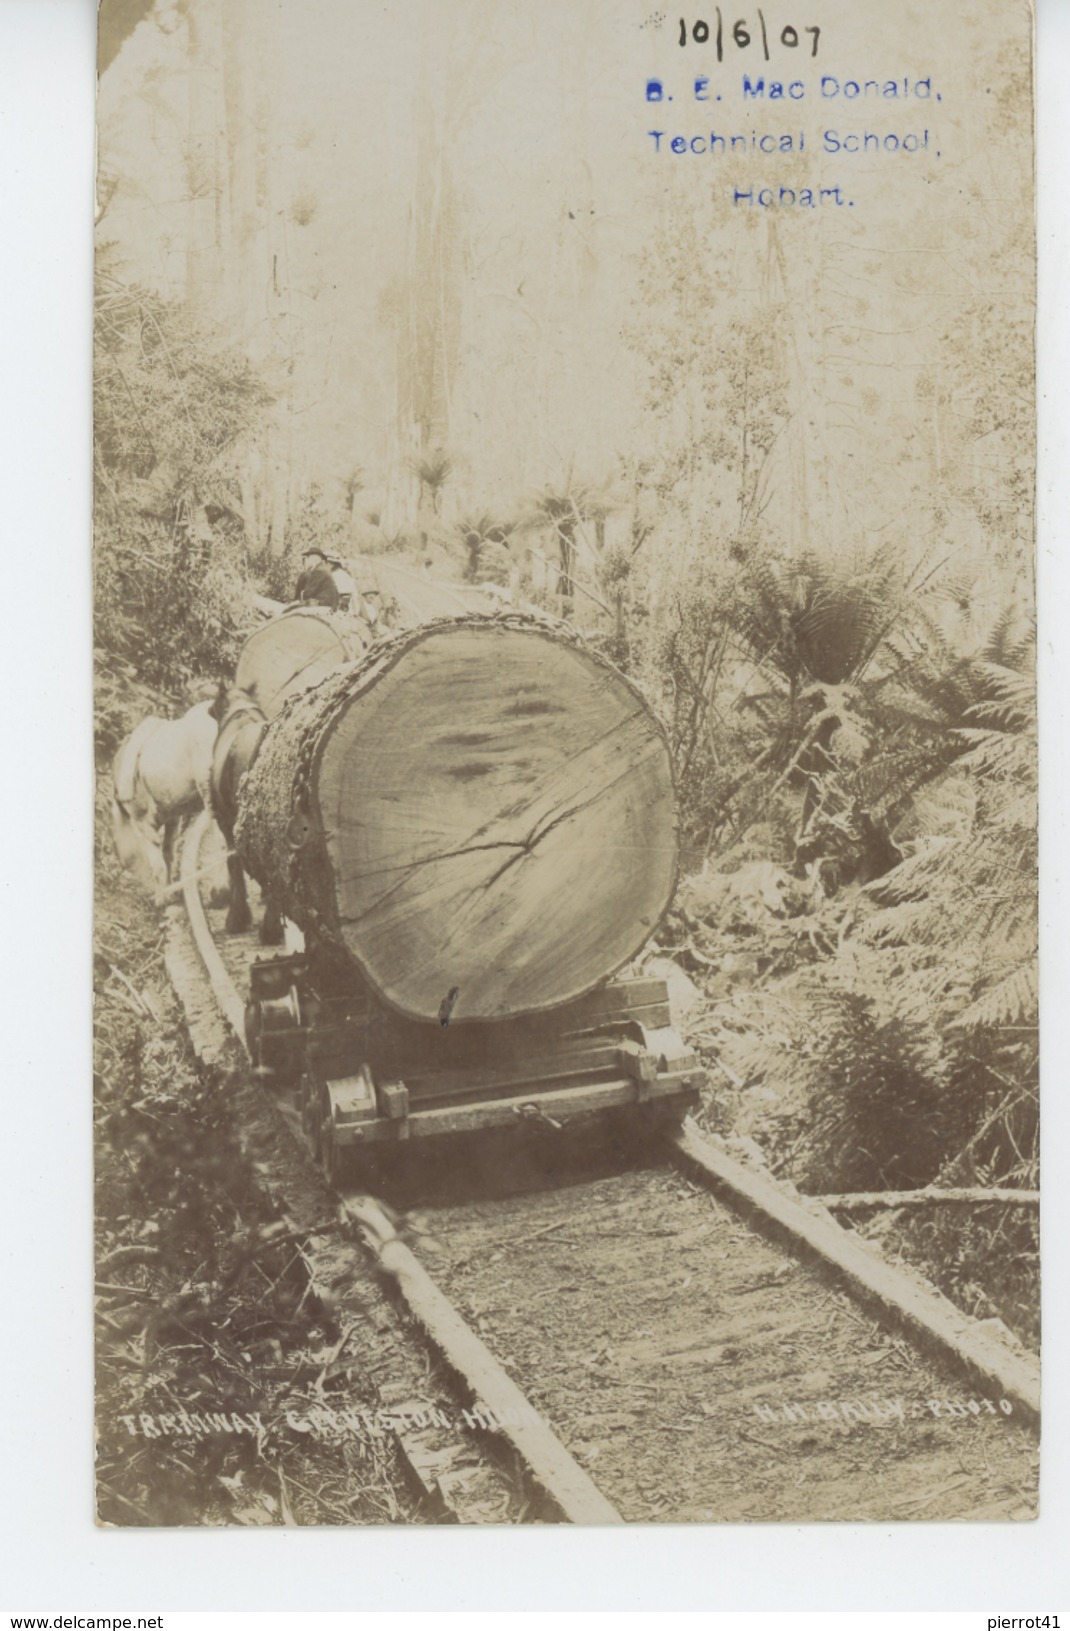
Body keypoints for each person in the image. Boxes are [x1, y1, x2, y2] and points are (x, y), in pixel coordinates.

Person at [294, 546, 339, 611]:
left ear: (313, 559)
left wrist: (296, 601)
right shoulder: (322, 569)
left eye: (307, 558)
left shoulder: (319, 571)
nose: (306, 561)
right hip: (327, 604)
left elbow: (309, 592)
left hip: (323, 605)